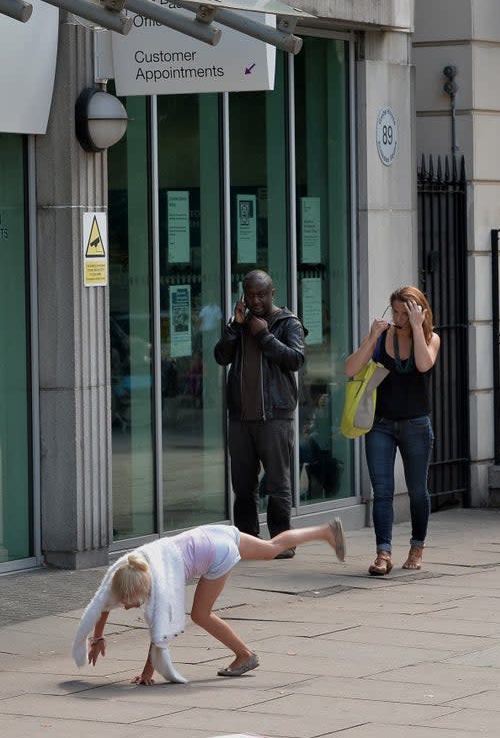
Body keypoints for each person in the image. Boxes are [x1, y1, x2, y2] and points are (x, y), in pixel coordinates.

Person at [73, 518, 346, 684]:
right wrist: (97, 637)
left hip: (217, 553)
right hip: (211, 534)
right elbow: (104, 604)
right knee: (271, 549)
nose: (129, 607)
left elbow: (160, 634)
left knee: (200, 615)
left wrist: (148, 673)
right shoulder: (130, 570)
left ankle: (245, 655)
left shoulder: (163, 585)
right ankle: (325, 531)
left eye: (131, 604)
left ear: (145, 592)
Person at [344, 285, 441, 576]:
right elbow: (349, 369)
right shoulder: (382, 336)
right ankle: (383, 553)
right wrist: (372, 337)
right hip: (381, 425)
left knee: (416, 491)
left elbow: (423, 365)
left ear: (420, 312)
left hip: (416, 424)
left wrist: (415, 325)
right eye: (395, 312)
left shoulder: (430, 338)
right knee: (382, 491)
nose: (398, 318)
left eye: (405, 312)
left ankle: (417, 546)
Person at [213, 270, 306, 556]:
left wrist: (264, 335)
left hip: (275, 416)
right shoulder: (239, 325)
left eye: (260, 294)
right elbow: (221, 357)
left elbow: (295, 359)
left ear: (272, 292)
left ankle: (282, 543)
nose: (255, 300)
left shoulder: (287, 322)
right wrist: (234, 328)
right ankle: (247, 542)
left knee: (278, 483)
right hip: (241, 417)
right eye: (250, 294)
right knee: (243, 485)